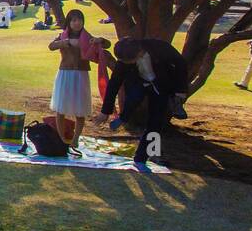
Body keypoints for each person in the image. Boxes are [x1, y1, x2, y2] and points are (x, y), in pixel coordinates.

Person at [95, 37, 189, 165]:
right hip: (139, 83)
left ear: (139, 53)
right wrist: (105, 111)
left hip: (160, 84)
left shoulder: (160, 47)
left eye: (128, 61)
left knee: (156, 122)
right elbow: (114, 83)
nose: (123, 64)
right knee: (134, 98)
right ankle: (124, 117)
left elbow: (181, 65)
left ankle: (144, 156)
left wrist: (180, 91)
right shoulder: (124, 57)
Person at [48, 9, 93, 145]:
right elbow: (51, 46)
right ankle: (61, 138)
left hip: (81, 74)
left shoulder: (86, 36)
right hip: (65, 73)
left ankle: (75, 139)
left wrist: (99, 40)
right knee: (61, 108)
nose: (77, 23)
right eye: (74, 20)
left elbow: (105, 44)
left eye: (79, 20)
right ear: (69, 22)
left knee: (80, 109)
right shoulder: (63, 35)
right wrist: (66, 42)